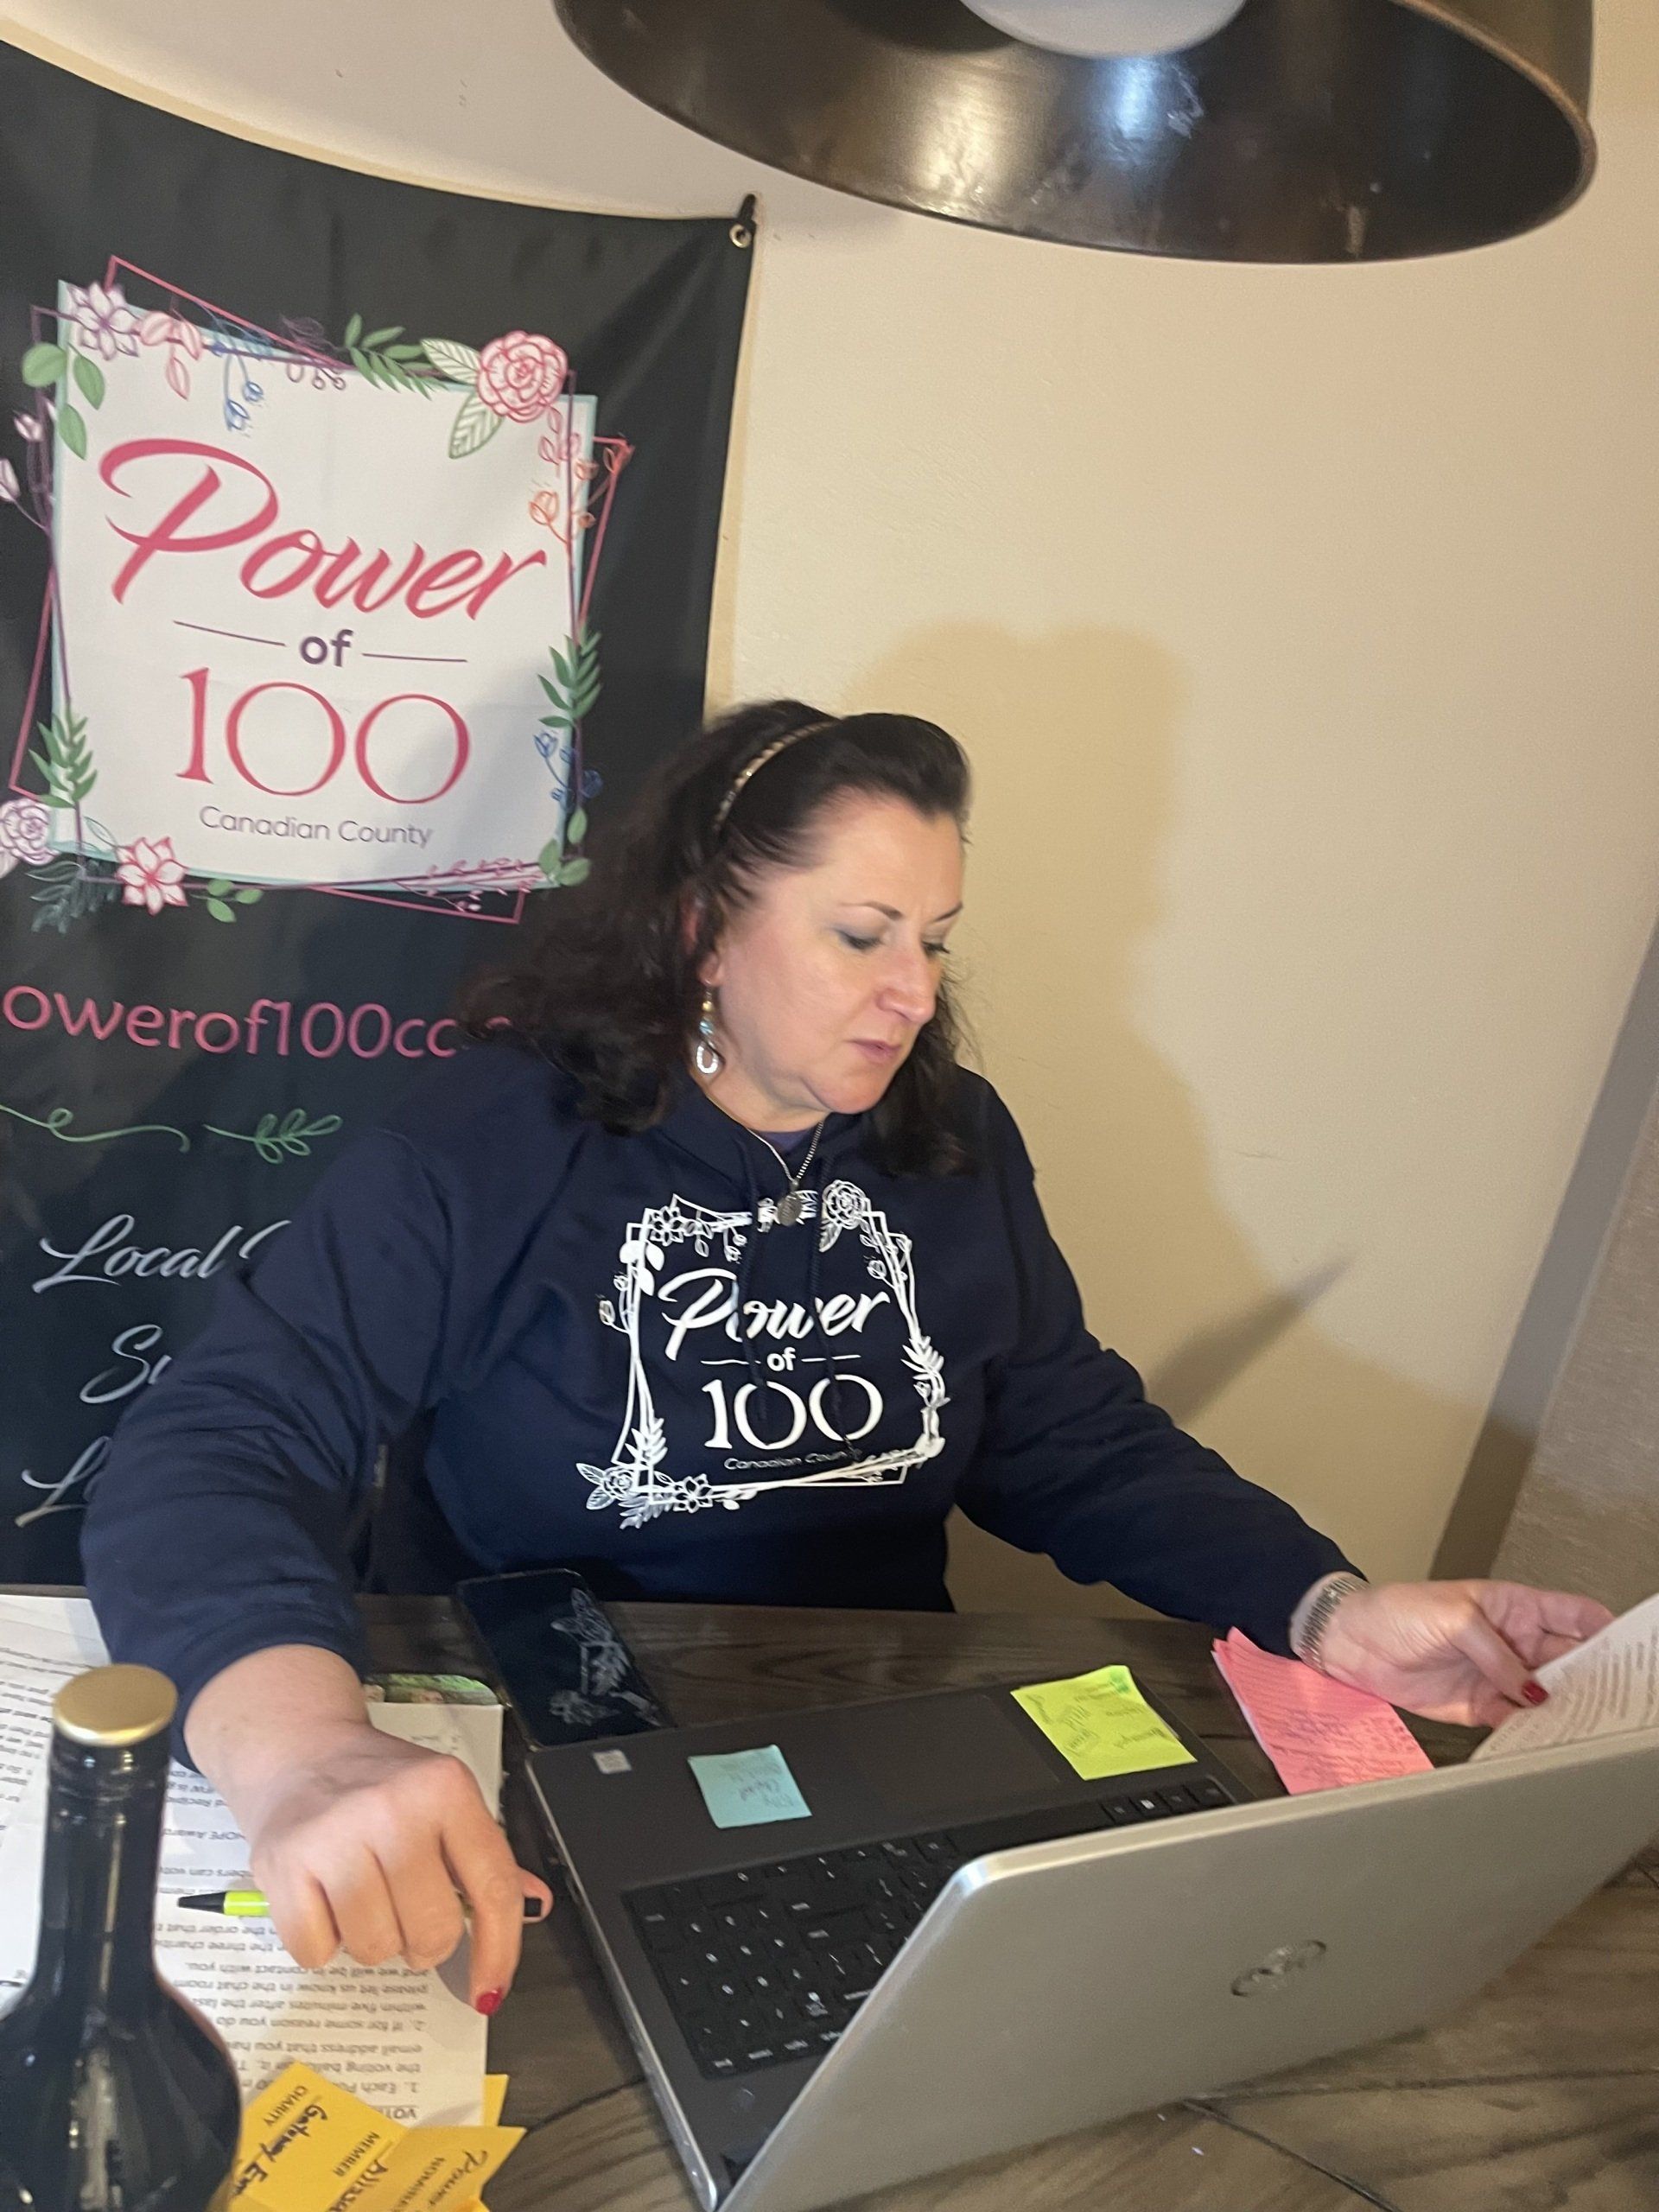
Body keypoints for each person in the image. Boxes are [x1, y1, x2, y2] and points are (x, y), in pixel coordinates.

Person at [84, 700, 1611, 2013]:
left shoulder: (951, 1139)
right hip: (553, 1748)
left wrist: (1325, 1607)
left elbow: (1057, 1430)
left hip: (872, 1739)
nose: (917, 992)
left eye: (935, 940)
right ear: (699, 929)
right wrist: (300, 1756)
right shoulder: (486, 1147)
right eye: (862, 935)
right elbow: (215, 1447)